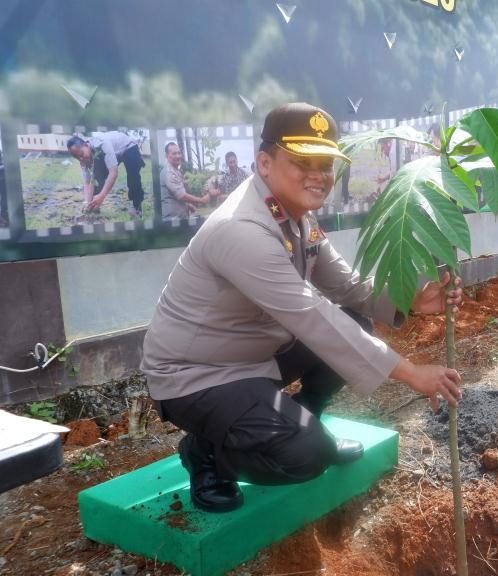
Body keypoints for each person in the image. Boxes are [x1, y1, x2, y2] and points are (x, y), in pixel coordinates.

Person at [141, 103, 462, 513]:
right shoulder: (241, 229)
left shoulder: (296, 217)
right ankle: (205, 453)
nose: (319, 174)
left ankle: (301, 425)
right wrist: (411, 373)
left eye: (326, 163)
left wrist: (411, 298)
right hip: (198, 375)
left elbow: (345, 286)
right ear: (264, 162)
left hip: (253, 354)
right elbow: (313, 318)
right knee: (305, 457)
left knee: (354, 318)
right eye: (302, 161)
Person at [66, 131, 146, 217]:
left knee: (133, 177)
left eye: (81, 154)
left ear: (86, 145)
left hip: (128, 147)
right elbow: (88, 182)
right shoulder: (83, 159)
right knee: (97, 177)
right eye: (76, 157)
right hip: (112, 152)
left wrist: (102, 196)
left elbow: (113, 173)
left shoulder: (102, 143)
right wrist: (87, 202)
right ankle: (93, 206)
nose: (80, 159)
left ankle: (137, 208)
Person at [160, 142, 208, 219]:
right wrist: (201, 200)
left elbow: (174, 197)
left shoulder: (176, 171)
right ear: (167, 156)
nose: (178, 156)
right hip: (172, 221)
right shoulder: (168, 172)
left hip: (180, 218)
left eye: (179, 153)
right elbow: (181, 195)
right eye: (174, 154)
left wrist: (187, 205)